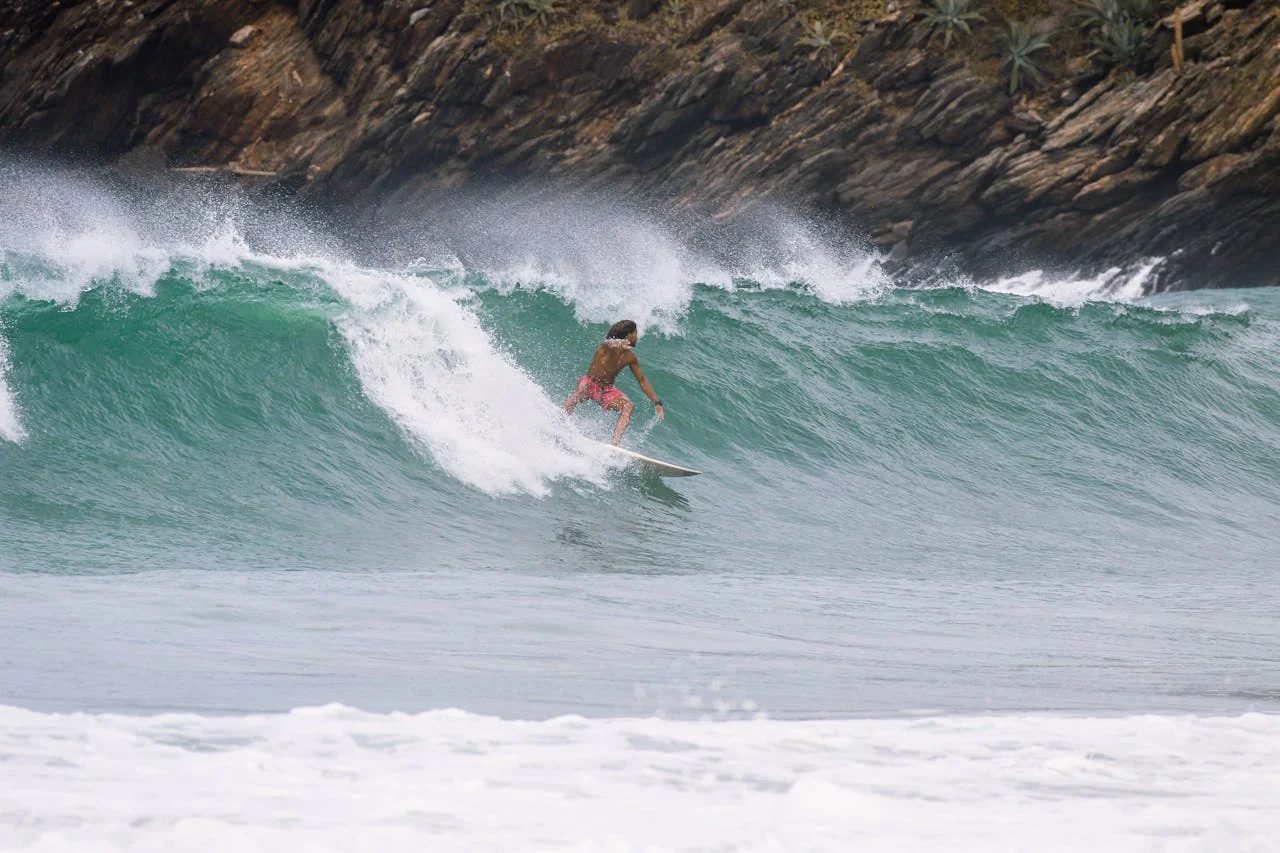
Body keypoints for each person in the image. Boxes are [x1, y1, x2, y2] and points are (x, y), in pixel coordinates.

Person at [564, 319, 664, 445]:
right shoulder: (606, 347)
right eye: (636, 333)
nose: (637, 337)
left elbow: (642, 381)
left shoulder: (630, 357)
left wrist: (657, 402)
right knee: (581, 389)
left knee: (628, 406)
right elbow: (607, 343)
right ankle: (562, 421)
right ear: (629, 335)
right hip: (590, 383)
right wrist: (617, 343)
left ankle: (614, 444)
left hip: (606, 390)